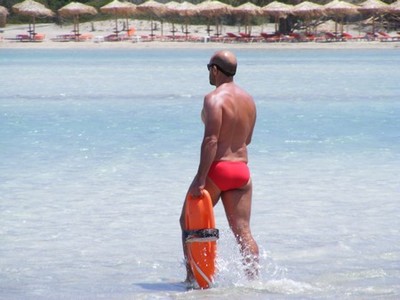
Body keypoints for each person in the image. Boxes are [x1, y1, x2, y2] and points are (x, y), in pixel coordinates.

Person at [179, 50, 259, 283]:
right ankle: (254, 282)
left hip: (219, 169)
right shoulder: (249, 100)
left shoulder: (213, 98)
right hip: (242, 172)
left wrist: (201, 178)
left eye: (208, 69)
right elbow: (248, 139)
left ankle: (193, 279)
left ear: (215, 70)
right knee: (243, 232)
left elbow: (211, 140)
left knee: (187, 220)